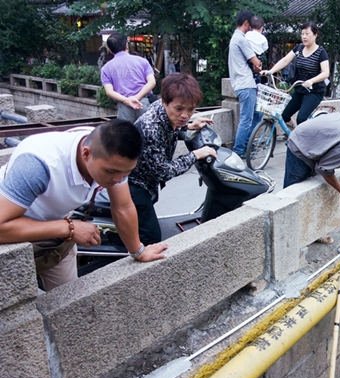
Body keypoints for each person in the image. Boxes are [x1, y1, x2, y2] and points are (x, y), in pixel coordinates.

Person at [0, 120, 168, 291]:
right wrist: (70, 228)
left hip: (56, 234)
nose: (119, 179)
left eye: (127, 172)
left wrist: (138, 251)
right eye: (111, 172)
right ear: (86, 154)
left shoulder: (111, 156)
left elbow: (123, 206)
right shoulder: (39, 165)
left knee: (68, 300)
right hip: (11, 228)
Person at [128, 73, 217, 245]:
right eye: (179, 109)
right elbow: (163, 171)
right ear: (165, 102)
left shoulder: (164, 112)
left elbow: (170, 129)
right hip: (134, 184)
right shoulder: (151, 127)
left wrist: (190, 126)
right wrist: (196, 155)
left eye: (190, 110)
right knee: (151, 238)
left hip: (145, 180)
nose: (185, 115)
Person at [263, 22, 330, 130]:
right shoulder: (299, 48)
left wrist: (311, 81)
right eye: (302, 34)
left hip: (314, 91)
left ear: (315, 35)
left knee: (302, 119)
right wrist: (271, 71)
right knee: (284, 116)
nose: (304, 36)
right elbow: (285, 60)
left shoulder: (321, 52)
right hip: (299, 89)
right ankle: (295, 133)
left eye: (307, 34)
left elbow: (325, 73)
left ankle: (306, 141)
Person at [101, 32, 156, 123]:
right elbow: (152, 82)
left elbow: (109, 92)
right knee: (147, 134)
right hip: (144, 103)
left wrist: (127, 100)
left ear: (110, 50)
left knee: (126, 135)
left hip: (124, 106)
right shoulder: (142, 61)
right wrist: (137, 98)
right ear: (126, 45)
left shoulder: (106, 68)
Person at [229, 10, 262, 157]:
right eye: (251, 24)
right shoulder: (241, 39)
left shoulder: (235, 38)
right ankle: (239, 150)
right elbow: (256, 62)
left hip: (241, 84)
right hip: (246, 84)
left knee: (257, 115)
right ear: (246, 23)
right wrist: (258, 64)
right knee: (247, 120)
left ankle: (247, 145)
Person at [246, 15, 269, 84]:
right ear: (262, 27)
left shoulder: (247, 34)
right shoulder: (263, 38)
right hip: (258, 57)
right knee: (257, 74)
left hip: (248, 57)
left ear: (250, 27)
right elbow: (265, 48)